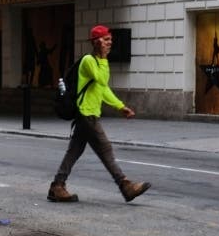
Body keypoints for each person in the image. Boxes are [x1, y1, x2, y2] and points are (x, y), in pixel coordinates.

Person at [48, 25, 151, 203]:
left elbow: (103, 89)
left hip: (89, 114)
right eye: (106, 40)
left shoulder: (99, 62)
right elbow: (102, 80)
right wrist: (103, 58)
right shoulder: (90, 60)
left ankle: (57, 185)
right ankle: (125, 185)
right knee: (105, 149)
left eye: (110, 40)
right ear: (96, 42)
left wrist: (120, 106)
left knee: (74, 151)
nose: (110, 43)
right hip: (86, 113)